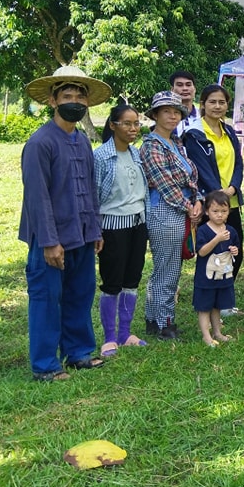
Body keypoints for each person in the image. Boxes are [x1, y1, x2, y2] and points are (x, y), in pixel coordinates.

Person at [20, 66, 111, 381]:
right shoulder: (40, 143)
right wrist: (48, 241)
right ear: (52, 100)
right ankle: (45, 365)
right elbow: (37, 197)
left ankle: (78, 353)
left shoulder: (83, 140)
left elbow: (90, 186)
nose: (74, 101)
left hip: (82, 235)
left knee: (80, 294)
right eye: (67, 96)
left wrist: (95, 230)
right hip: (51, 239)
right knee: (47, 299)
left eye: (79, 96)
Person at [140, 91, 203, 340]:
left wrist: (196, 200)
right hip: (165, 211)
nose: (172, 116)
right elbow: (165, 183)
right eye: (166, 111)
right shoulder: (151, 145)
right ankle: (165, 323)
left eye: (176, 111)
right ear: (155, 115)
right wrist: (190, 204)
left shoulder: (176, 143)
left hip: (182, 207)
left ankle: (154, 319)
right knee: (167, 269)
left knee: (169, 267)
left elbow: (191, 176)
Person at [182, 84, 244, 315]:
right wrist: (220, 194)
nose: (217, 106)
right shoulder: (195, 134)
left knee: (234, 249)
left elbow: (238, 162)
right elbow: (201, 169)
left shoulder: (228, 131)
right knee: (211, 252)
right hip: (212, 205)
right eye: (212, 102)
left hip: (232, 203)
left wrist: (233, 188)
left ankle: (225, 299)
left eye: (222, 102)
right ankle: (210, 301)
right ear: (203, 105)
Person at [94, 104, 149, 357]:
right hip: (112, 227)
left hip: (138, 224)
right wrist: (95, 231)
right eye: (127, 123)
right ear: (113, 125)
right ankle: (109, 337)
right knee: (112, 281)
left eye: (136, 123)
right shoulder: (101, 156)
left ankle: (125, 333)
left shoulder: (136, 154)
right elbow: (93, 197)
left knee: (132, 279)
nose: (133, 128)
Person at [194, 191, 239, 346]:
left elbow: (235, 248)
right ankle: (206, 336)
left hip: (223, 275)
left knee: (217, 306)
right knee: (204, 307)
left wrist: (234, 250)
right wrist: (217, 239)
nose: (219, 215)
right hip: (205, 278)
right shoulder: (203, 230)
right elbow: (202, 251)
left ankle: (217, 333)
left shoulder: (231, 230)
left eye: (224, 211)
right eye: (215, 211)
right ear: (207, 212)